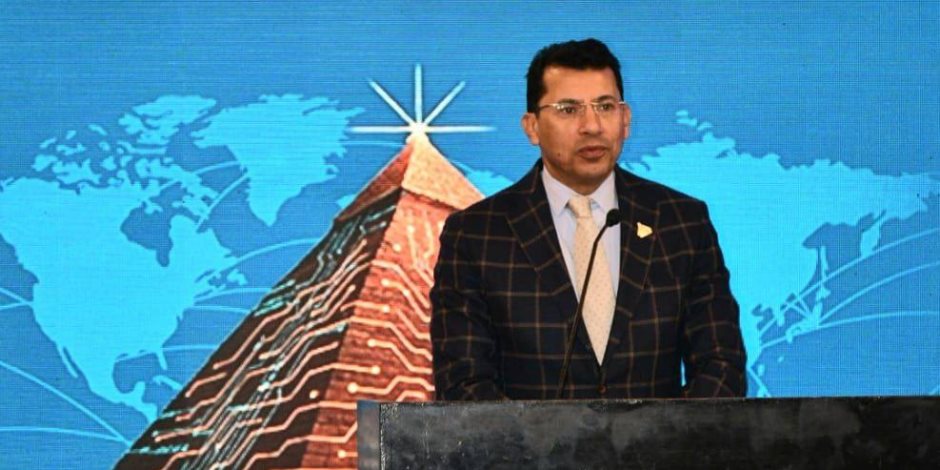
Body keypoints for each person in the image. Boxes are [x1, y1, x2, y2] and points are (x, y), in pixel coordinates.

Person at [430, 38, 746, 400]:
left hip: (665, 439)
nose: (592, 126)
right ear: (532, 127)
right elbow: (464, 384)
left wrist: (663, 434)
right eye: (568, 109)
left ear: (626, 120)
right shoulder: (477, 235)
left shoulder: (681, 223)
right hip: (525, 441)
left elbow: (722, 366)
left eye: (605, 107)